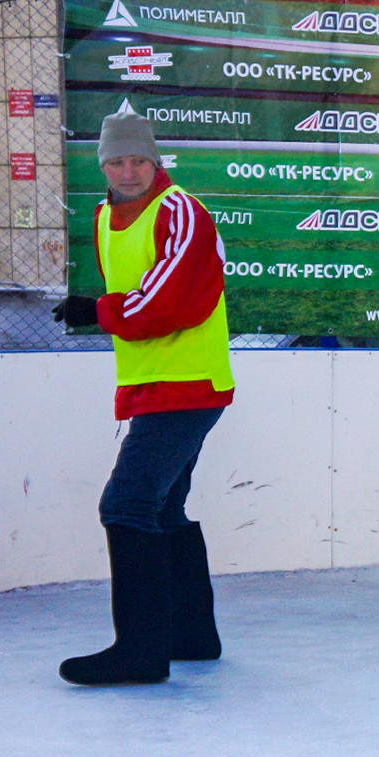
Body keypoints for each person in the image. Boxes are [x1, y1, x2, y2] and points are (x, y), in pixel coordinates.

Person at [51, 110, 234, 684]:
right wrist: (105, 308)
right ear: (101, 164)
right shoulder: (107, 215)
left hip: (188, 384)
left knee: (125, 505)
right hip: (153, 385)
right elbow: (143, 292)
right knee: (159, 507)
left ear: (156, 162)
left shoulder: (179, 210)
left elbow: (173, 299)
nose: (128, 170)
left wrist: (99, 310)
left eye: (138, 160)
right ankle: (190, 636)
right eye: (116, 160)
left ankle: (140, 651)